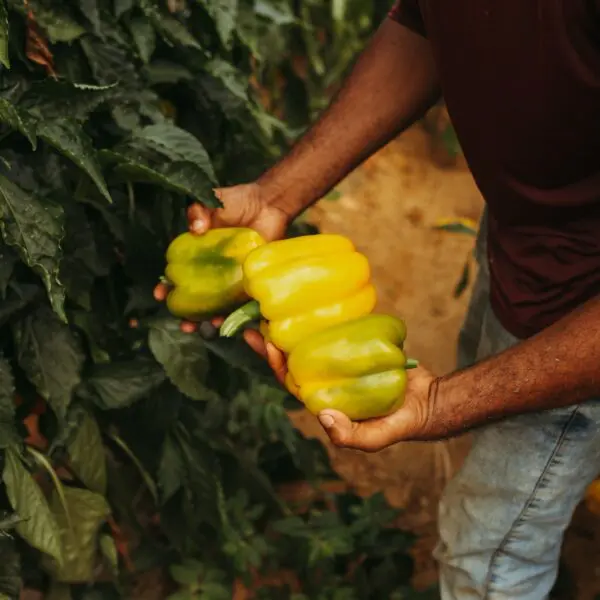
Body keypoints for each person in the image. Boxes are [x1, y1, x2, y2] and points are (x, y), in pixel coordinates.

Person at [155, 1, 600, 598]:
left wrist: (444, 402)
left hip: (578, 312)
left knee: (487, 554)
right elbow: (430, 21)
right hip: (529, 237)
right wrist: (276, 198)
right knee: (502, 455)